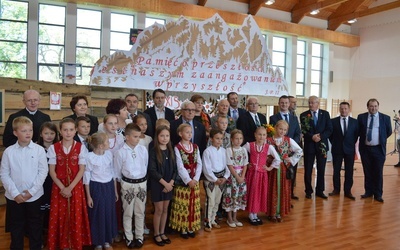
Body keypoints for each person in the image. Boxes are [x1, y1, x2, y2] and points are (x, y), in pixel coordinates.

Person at [0, 116, 48, 249]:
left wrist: (31, 192)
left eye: (30, 130)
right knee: (16, 226)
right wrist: (15, 194)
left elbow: (42, 172)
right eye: (24, 131)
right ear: (15, 133)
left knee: (35, 225)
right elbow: (4, 174)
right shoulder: (9, 152)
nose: (28, 133)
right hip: (14, 197)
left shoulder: (39, 150)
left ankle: (36, 247)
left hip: (34, 196)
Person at [47, 118, 91, 250]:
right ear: (60, 131)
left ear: (75, 130)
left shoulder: (81, 147)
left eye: (71, 129)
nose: (68, 132)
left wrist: (70, 187)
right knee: (60, 214)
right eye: (65, 130)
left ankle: (75, 243)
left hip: (75, 187)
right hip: (59, 187)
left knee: (75, 214)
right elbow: (52, 171)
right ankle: (63, 243)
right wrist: (63, 188)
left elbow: (81, 169)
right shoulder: (53, 148)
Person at [114, 123, 148, 248]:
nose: (137, 139)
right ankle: (128, 236)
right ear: (127, 137)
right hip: (127, 184)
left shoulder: (142, 149)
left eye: (139, 137)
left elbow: (145, 165)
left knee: (140, 212)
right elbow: (117, 171)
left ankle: (139, 236)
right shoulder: (120, 152)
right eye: (135, 136)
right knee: (128, 212)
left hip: (141, 183)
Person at [84, 132, 118, 250]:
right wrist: (88, 196)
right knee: (98, 214)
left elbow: (112, 172)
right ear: (100, 146)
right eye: (107, 142)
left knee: (108, 213)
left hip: (108, 186)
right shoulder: (89, 157)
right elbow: (87, 177)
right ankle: (98, 241)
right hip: (96, 187)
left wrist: (115, 191)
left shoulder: (109, 154)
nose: (109, 143)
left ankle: (107, 240)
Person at [266, 120, 302, 222]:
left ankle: (279, 212)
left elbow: (299, 151)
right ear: (275, 128)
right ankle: (271, 213)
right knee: (271, 189)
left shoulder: (288, 140)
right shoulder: (268, 140)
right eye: (280, 128)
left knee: (282, 189)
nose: (282, 131)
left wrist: (291, 159)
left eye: (285, 130)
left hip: (283, 169)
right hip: (272, 169)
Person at [244, 126, 280, 226]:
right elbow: (241, 153)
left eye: (264, 135)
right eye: (259, 134)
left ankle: (255, 214)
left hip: (261, 175)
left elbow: (277, 159)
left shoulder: (269, 147)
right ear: (255, 135)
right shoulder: (249, 145)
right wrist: (247, 164)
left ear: (266, 136)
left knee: (259, 193)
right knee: (252, 193)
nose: (261, 137)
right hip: (251, 174)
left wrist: (269, 168)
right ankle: (251, 214)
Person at [170, 123, 202, 239]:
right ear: (180, 134)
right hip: (184, 182)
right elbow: (180, 166)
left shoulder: (195, 147)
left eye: (190, 132)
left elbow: (199, 163)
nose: (189, 134)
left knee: (192, 205)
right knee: (184, 205)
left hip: (194, 181)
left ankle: (191, 226)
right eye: (187, 132)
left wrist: (196, 179)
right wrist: (188, 180)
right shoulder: (177, 148)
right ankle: (183, 227)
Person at [357, 98, 392, 202]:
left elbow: (388, 131)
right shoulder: (361, 117)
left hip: (378, 149)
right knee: (367, 171)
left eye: (375, 106)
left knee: (378, 172)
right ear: (367, 107)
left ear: (378, 106)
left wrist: (379, 139)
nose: (373, 108)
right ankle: (368, 192)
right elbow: (358, 131)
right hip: (365, 149)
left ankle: (378, 194)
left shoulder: (385, 118)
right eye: (371, 106)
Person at [148, 125, 177, 246]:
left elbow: (175, 169)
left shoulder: (171, 150)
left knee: (165, 209)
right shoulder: (154, 151)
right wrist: (165, 183)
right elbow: (153, 170)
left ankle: (162, 231)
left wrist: (171, 183)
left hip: (169, 184)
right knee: (159, 210)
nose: (164, 138)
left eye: (167, 136)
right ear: (157, 136)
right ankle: (156, 233)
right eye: (162, 136)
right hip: (158, 184)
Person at [300, 96, 333, 199]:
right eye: (309, 102)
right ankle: (308, 191)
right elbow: (304, 130)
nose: (311, 104)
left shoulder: (325, 114)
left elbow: (329, 129)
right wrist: (312, 137)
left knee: (321, 169)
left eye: (313, 102)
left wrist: (320, 136)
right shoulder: (304, 115)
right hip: (309, 146)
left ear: (318, 103)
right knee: (308, 170)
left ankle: (320, 190)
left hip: (322, 146)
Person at [269, 95, 301, 200]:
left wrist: (290, 145)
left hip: (290, 150)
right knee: (277, 178)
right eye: (282, 103)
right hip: (278, 152)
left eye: (286, 103)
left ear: (289, 104)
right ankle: (276, 197)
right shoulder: (273, 118)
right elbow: (271, 134)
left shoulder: (294, 118)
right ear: (279, 104)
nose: (284, 104)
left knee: (290, 174)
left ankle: (289, 195)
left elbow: (298, 133)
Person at [328, 102, 359, 200]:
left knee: (349, 171)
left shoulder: (355, 122)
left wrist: (349, 144)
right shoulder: (333, 121)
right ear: (339, 109)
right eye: (341, 108)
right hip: (337, 149)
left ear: (349, 109)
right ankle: (336, 189)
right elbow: (330, 136)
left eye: (345, 108)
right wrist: (336, 143)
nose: (343, 110)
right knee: (336, 171)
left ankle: (347, 191)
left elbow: (356, 135)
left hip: (349, 149)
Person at [202, 129, 230, 232]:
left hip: (221, 178)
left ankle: (213, 219)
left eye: (221, 139)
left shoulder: (224, 151)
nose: (219, 141)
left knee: (217, 201)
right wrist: (214, 179)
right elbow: (206, 168)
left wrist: (225, 177)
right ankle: (207, 222)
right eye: (217, 138)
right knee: (210, 200)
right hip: (211, 180)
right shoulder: (207, 151)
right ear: (211, 139)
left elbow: (228, 165)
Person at [37, 122, 59, 240]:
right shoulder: (36, 148)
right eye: (46, 133)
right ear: (41, 134)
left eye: (52, 133)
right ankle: (39, 236)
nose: (49, 136)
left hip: (54, 182)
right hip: (41, 184)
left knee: (52, 211)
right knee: (40, 212)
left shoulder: (57, 148)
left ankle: (52, 235)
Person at [223, 129, 248, 228]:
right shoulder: (228, 150)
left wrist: (242, 176)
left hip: (241, 176)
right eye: (236, 138)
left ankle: (235, 217)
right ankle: (229, 218)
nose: (239, 140)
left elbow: (245, 164)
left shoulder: (243, 150)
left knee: (238, 196)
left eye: (240, 138)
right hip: (232, 176)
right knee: (231, 195)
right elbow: (229, 165)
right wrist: (237, 176)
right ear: (232, 139)